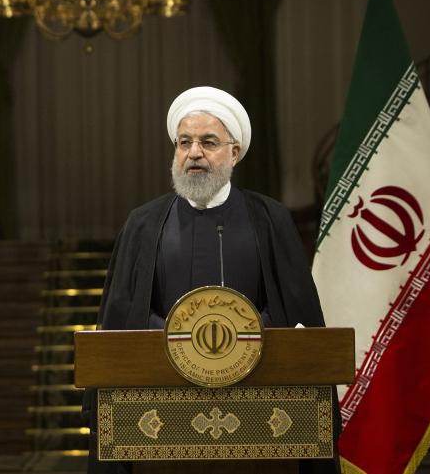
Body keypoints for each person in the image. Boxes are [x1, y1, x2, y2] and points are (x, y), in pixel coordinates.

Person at [84, 86, 338, 474]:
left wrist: (240, 340)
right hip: (161, 412)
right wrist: (180, 340)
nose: (194, 153)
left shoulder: (270, 219)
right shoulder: (143, 224)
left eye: (208, 142)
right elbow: (123, 321)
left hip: (257, 412)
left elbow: (295, 313)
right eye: (184, 142)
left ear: (234, 153)